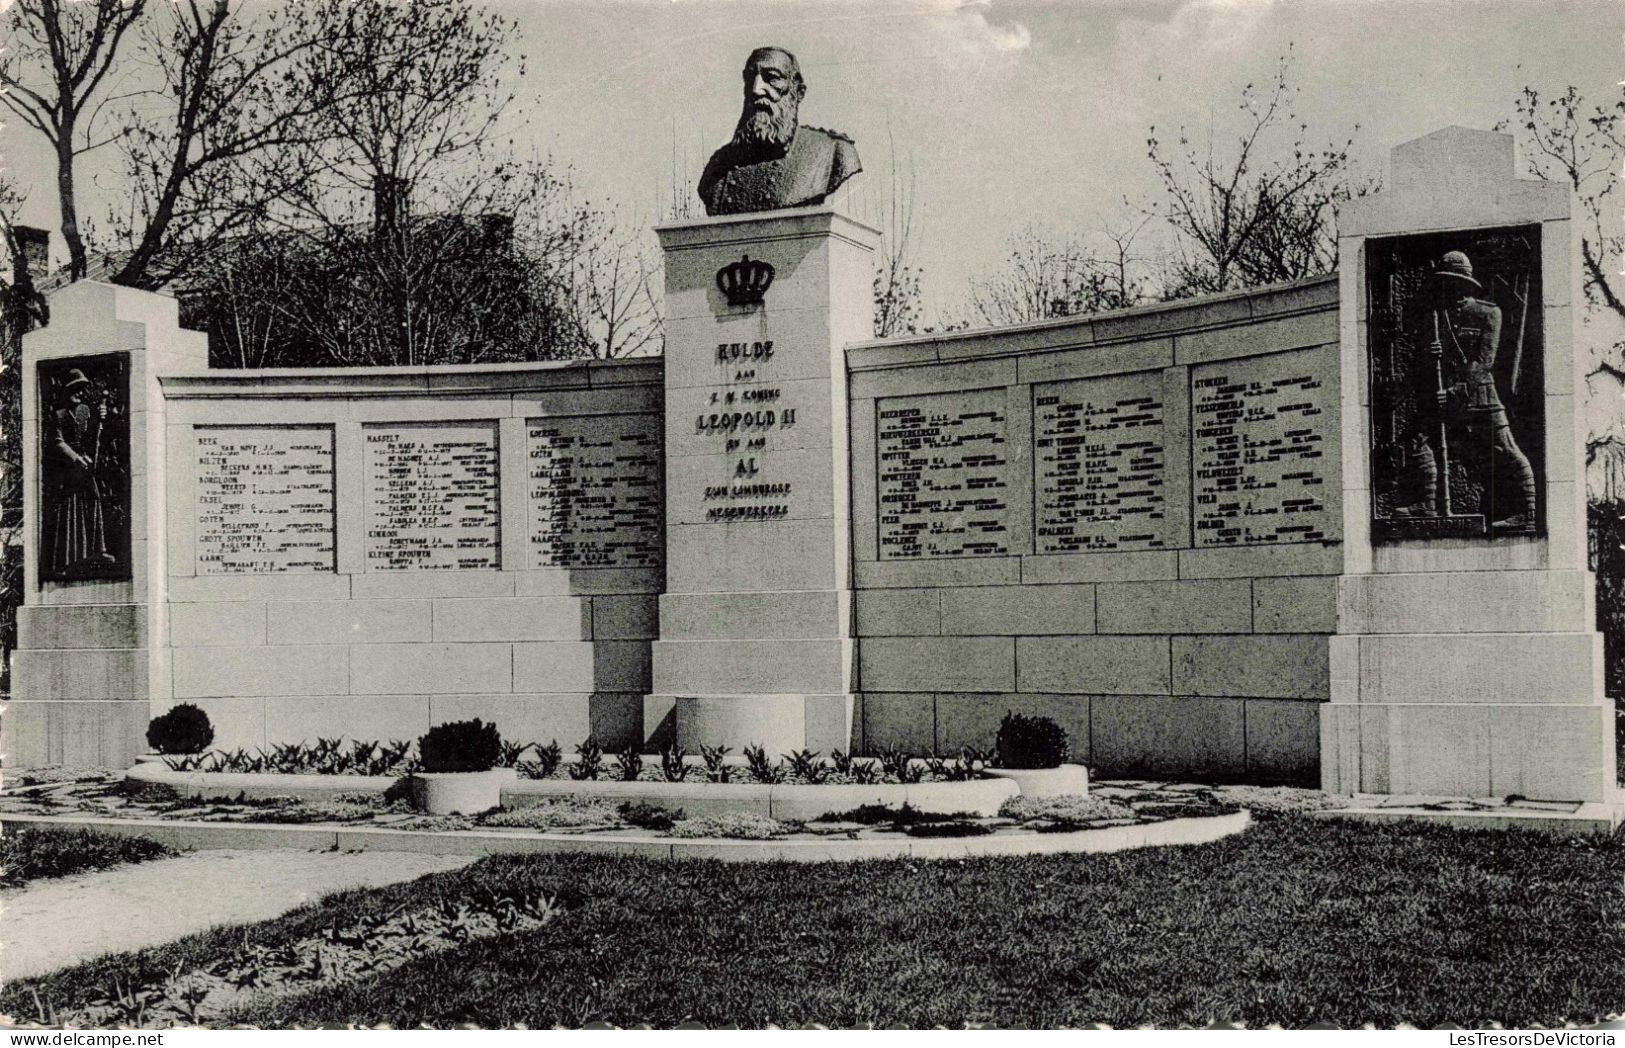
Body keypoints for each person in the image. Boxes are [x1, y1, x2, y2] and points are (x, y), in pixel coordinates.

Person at [1398, 250, 1536, 530]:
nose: (1447, 286)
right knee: (1417, 440)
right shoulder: (1438, 317)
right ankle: (1427, 504)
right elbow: (1425, 363)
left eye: (1452, 280)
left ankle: (1528, 511)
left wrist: (1455, 392)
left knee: (1506, 448)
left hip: (1479, 395)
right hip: (1443, 397)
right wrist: (1432, 352)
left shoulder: (1488, 313)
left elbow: (1484, 361)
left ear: (1465, 282)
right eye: (1444, 281)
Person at [698, 47, 862, 216]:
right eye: (750, 78)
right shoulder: (719, 166)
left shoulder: (833, 153)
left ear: (799, 92)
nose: (756, 89)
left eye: (772, 78)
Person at [42, 368, 117, 577]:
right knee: (70, 510)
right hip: (69, 470)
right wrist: (75, 458)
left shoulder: (86, 411)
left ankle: (98, 550)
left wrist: (104, 416)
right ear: (67, 390)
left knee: (93, 501)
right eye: (76, 389)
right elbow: (57, 443)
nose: (80, 393)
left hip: (87, 465)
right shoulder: (58, 415)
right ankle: (66, 559)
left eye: (83, 389)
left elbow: (96, 433)